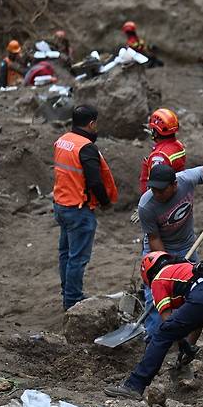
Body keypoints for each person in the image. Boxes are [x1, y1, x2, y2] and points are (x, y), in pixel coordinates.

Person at [103, 252, 203, 400]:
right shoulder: (186, 268)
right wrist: (189, 346)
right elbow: (198, 319)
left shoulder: (159, 279)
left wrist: (182, 343)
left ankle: (134, 385)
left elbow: (169, 324)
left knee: (163, 334)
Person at [138, 164, 203, 340]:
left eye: (161, 190)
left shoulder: (186, 179)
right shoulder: (146, 206)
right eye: (153, 189)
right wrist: (167, 264)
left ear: (174, 185)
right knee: (156, 297)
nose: (156, 194)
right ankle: (153, 338)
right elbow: (154, 238)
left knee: (190, 290)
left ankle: (185, 340)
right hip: (159, 249)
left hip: (187, 245)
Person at [53, 105, 118, 310]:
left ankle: (68, 293)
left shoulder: (63, 140)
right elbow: (95, 182)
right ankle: (72, 300)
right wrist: (105, 203)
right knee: (77, 258)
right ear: (91, 123)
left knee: (65, 253)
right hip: (78, 210)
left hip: (61, 205)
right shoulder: (86, 147)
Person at [138, 108, 186, 194]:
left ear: (155, 133)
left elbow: (156, 186)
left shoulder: (159, 156)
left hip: (163, 199)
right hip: (179, 192)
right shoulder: (179, 145)